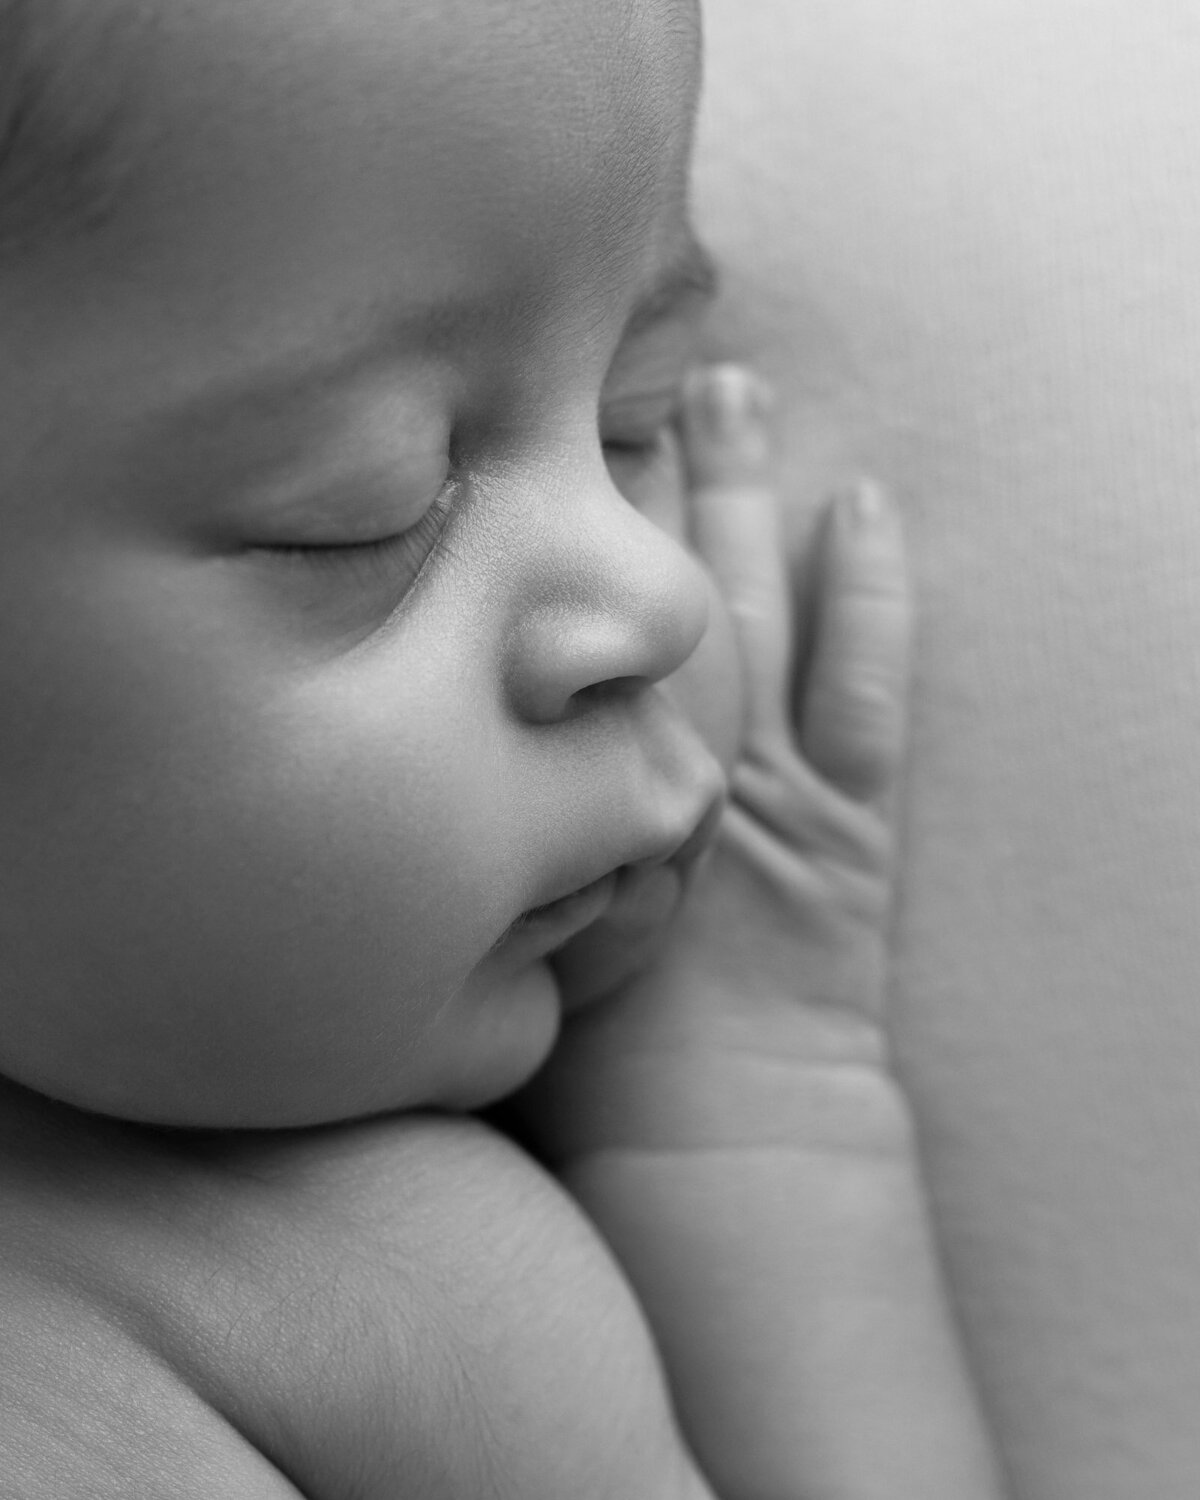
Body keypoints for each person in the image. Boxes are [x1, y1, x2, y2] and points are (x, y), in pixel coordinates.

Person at [0, 0, 1008, 1495]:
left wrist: (736, 1077)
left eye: (631, 419)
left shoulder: (384, 1284)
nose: (664, 596)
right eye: (370, 504)